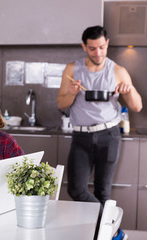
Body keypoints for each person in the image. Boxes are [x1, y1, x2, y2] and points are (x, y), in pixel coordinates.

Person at [57, 25, 142, 240]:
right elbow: (61, 103)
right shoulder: (71, 70)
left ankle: (102, 236)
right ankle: (115, 229)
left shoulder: (118, 70)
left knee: (103, 192)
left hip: (109, 135)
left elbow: (137, 106)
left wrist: (128, 90)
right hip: (81, 136)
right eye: (92, 48)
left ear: (107, 44)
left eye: (102, 47)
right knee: (76, 189)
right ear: (84, 46)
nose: (98, 53)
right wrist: (72, 93)